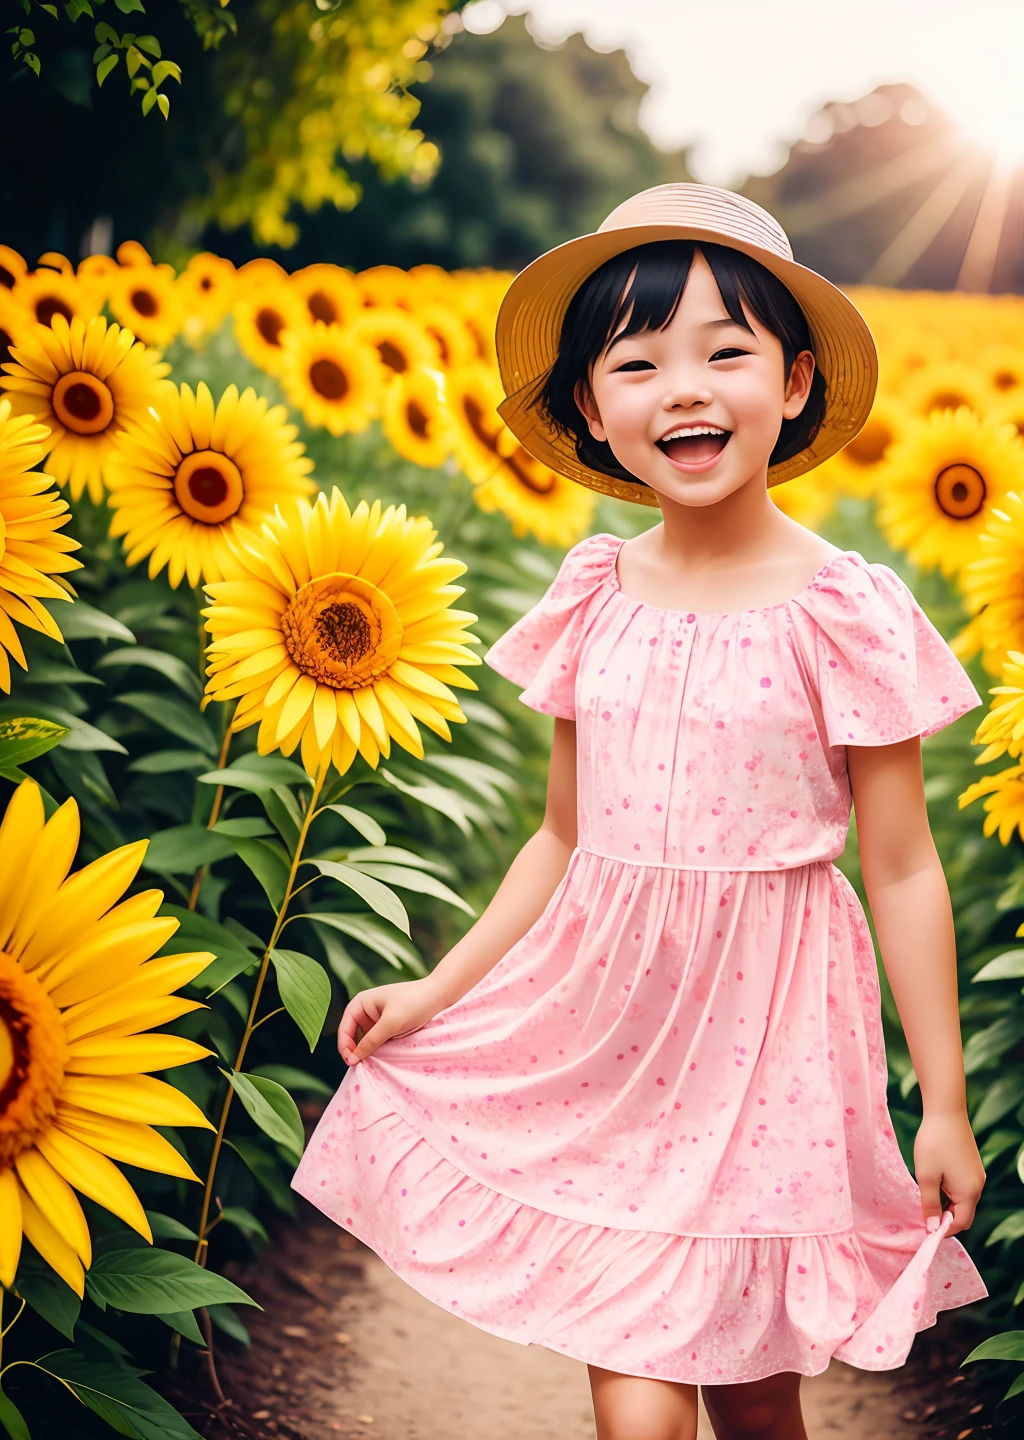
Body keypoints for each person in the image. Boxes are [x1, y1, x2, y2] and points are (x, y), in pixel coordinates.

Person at [291, 183, 989, 1440]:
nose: (684, 388)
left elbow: (901, 870)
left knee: (758, 1402)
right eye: (637, 361)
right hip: (606, 1029)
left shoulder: (845, 606)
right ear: (589, 413)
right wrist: (435, 994)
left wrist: (939, 1098)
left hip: (773, 1038)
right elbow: (561, 836)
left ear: (793, 388)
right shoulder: (592, 592)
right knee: (644, 1409)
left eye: (727, 352)